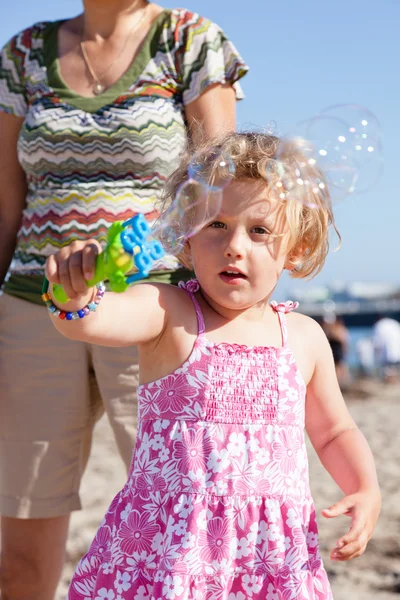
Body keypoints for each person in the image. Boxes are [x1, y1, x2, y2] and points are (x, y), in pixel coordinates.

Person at [44, 132, 381, 600]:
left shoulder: (303, 337)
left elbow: (333, 432)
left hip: (268, 554)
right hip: (171, 550)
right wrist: (74, 295)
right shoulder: (170, 312)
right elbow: (94, 321)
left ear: (297, 247)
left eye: (259, 230)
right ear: (186, 237)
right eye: (216, 225)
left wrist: (365, 488)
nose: (234, 246)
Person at [0, 1, 248, 597]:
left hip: (154, 309)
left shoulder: (188, 39)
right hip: (34, 309)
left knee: (184, 522)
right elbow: (7, 201)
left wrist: (232, 314)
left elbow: (223, 190)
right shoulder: (24, 53)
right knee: (18, 557)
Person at [321, 314, 351, 388]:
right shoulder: (326, 328)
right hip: (333, 349)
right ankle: (337, 383)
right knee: (335, 367)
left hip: (336, 349)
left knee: (338, 367)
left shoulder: (338, 329)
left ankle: (338, 383)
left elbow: (343, 340)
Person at [372, 315, 400, 382]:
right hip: (397, 351)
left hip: (389, 353)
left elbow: (377, 343)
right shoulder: (394, 323)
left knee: (390, 372)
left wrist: (376, 358)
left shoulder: (379, 325)